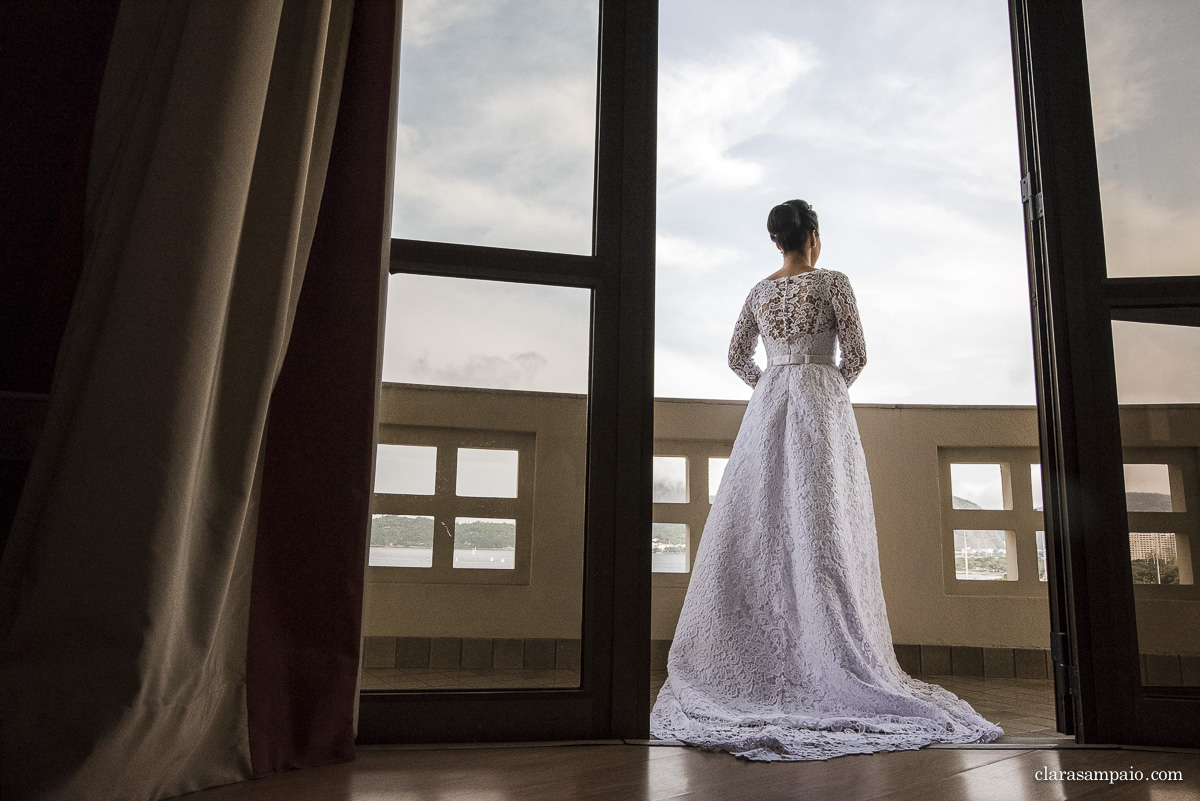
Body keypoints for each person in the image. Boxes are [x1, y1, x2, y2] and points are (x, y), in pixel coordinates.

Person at [649, 199, 1004, 761]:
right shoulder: (834, 281)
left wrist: (773, 381)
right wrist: (825, 385)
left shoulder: (759, 292)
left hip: (770, 403)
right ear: (813, 236)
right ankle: (832, 652)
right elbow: (857, 355)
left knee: (763, 523)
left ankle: (756, 660)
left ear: (775, 242)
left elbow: (737, 357)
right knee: (823, 524)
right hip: (820, 401)